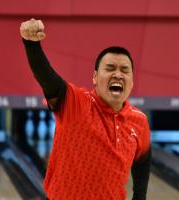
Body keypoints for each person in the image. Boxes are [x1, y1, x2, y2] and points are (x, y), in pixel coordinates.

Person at [20, 18, 151, 200]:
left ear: (132, 81)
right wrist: (31, 45)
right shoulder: (77, 103)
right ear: (95, 77)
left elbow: (143, 159)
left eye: (124, 70)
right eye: (110, 68)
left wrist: (140, 197)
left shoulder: (139, 121)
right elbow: (47, 78)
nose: (118, 74)